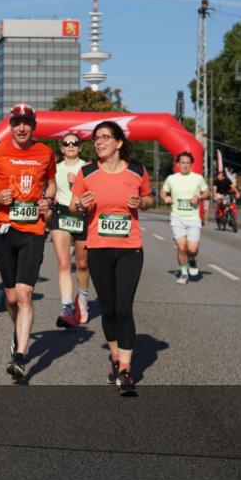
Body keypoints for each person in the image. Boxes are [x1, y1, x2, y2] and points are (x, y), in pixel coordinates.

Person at [70, 120, 153, 396]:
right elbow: (72, 207)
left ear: (118, 142)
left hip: (130, 248)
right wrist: (79, 205)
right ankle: (116, 360)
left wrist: (140, 203)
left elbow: (148, 198)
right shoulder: (87, 172)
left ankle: (127, 371)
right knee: (108, 309)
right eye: (96, 138)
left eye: (105, 137)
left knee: (124, 307)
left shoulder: (137, 171)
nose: (99, 142)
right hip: (99, 248)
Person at [0, 104, 56, 379]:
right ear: (11, 125)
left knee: (25, 294)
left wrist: (49, 199)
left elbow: (52, 182)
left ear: (34, 125)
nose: (22, 128)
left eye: (27, 123)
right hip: (4, 228)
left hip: (33, 230)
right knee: (10, 297)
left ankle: (20, 357)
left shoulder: (45, 152)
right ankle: (17, 327)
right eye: (17, 123)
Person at [51, 132, 91, 327]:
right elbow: (48, 188)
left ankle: (82, 299)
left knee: (82, 264)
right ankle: (66, 307)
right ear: (62, 148)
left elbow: (95, 194)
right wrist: (51, 198)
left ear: (80, 147)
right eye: (66, 143)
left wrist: (77, 185)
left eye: (74, 143)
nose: (70, 146)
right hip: (62, 214)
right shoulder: (55, 169)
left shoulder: (87, 168)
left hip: (83, 214)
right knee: (64, 264)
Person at [161, 152, 209, 283]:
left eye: (188, 163)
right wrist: (166, 197)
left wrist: (199, 197)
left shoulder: (198, 178)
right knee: (182, 247)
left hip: (193, 218)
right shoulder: (171, 178)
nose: (185, 165)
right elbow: (163, 191)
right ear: (178, 164)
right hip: (177, 217)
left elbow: (206, 191)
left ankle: (192, 259)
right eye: (182, 162)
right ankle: (183, 273)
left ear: (191, 164)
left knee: (192, 249)